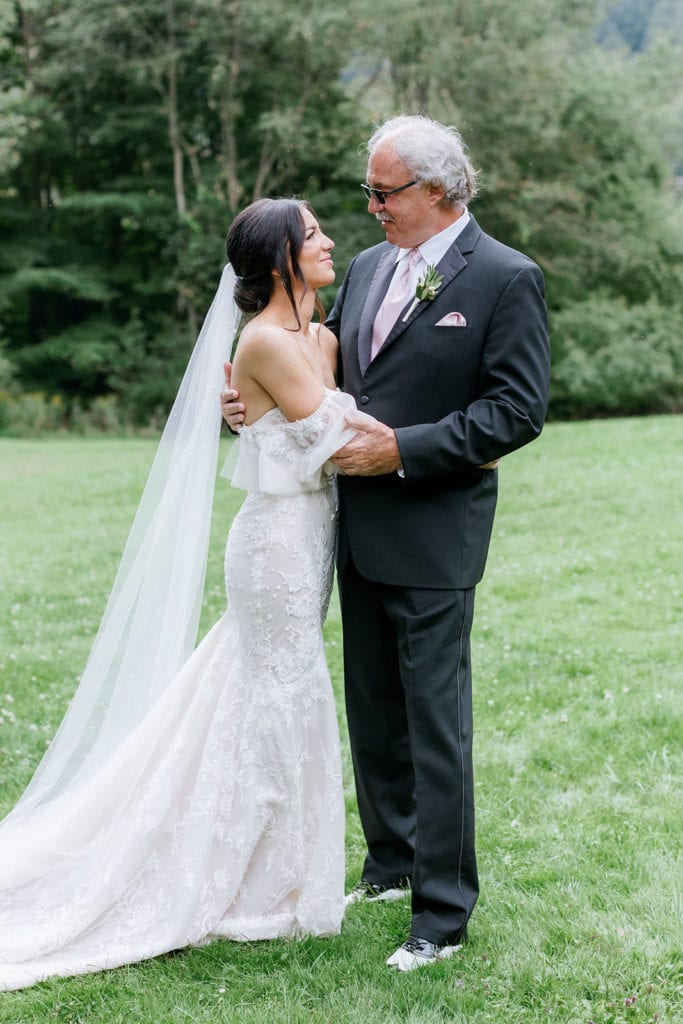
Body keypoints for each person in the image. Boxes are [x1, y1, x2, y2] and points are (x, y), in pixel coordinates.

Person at [0, 197, 364, 991]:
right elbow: (334, 440)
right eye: (312, 234)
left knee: (272, 687)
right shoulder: (262, 342)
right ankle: (262, 881)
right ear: (279, 258)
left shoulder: (322, 336)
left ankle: (283, 865)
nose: (330, 239)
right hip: (272, 544)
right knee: (275, 691)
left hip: (313, 543)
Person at [221, 114, 551, 971]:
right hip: (350, 533)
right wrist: (249, 412)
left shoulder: (506, 278)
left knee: (435, 725)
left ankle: (440, 917)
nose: (368, 207)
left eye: (382, 191)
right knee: (373, 714)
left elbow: (515, 411)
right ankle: (390, 863)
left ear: (436, 191)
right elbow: (316, 383)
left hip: (436, 533)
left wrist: (405, 450)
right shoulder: (365, 271)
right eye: (366, 191)